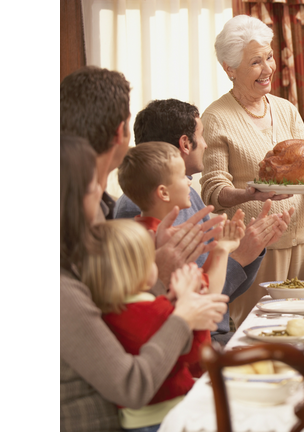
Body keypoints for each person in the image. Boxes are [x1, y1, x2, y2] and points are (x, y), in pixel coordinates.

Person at [60, 134, 229, 432]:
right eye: (93, 187)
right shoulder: (63, 288)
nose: (102, 196)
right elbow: (132, 384)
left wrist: (155, 271)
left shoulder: (79, 257)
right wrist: (183, 315)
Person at [200, 15, 304, 327]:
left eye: (268, 57)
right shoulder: (216, 118)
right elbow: (212, 189)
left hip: (300, 243)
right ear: (230, 69)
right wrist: (247, 194)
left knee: (301, 326)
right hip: (255, 251)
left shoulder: (285, 109)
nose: (267, 69)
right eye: (255, 62)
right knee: (258, 329)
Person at [114, 99, 291, 344]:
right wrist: (237, 257)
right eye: (202, 135)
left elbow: (225, 291)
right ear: (185, 143)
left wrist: (252, 249)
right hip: (188, 341)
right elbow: (194, 296)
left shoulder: (188, 195)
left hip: (213, 334)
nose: (206, 144)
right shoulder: (139, 206)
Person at [61, 66, 223, 291]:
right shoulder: (125, 206)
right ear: (120, 132)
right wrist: (159, 273)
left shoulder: (89, 201)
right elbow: (115, 303)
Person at [83, 220, 211, 432]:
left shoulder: (105, 312)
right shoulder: (155, 310)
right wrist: (194, 307)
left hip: (133, 420)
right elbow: (196, 353)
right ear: (138, 270)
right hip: (170, 414)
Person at [117, 142, 246, 297]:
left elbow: (200, 278)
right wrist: (222, 249)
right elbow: (207, 293)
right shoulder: (163, 244)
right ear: (164, 193)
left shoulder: (140, 232)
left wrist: (217, 246)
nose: (189, 181)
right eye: (182, 175)